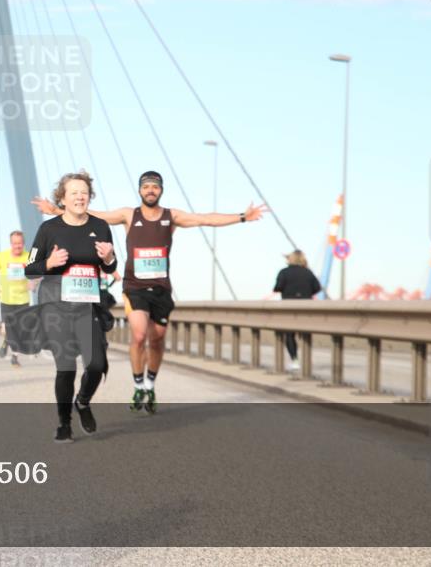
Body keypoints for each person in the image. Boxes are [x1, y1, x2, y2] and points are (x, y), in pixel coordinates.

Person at [34, 170, 267, 414]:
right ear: (140, 190)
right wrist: (57, 211)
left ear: (161, 190)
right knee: (139, 334)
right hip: (134, 287)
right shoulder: (128, 215)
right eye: (146, 186)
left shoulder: (171, 216)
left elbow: (205, 219)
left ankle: (149, 384)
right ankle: (137, 385)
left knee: (156, 339)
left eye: (155, 186)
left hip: (161, 289)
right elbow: (91, 215)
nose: (150, 190)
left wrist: (242, 217)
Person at [15, 171, 117, 443]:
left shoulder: (101, 226)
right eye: (74, 192)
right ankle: (64, 423)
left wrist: (108, 259)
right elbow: (30, 269)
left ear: (89, 196)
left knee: (97, 364)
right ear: (62, 197)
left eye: (84, 192)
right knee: (66, 367)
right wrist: (49, 264)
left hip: (87, 307)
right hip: (56, 307)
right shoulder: (49, 229)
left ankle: (82, 402)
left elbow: (111, 265)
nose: (80, 196)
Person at [0, 230, 31, 368]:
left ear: (23, 243)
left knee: (20, 330)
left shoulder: (29, 256)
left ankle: (14, 357)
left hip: (23, 299)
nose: (17, 246)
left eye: (20, 243)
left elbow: (39, 272)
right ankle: (6, 340)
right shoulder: (2, 256)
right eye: (15, 243)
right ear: (11, 243)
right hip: (6, 299)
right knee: (7, 329)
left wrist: (34, 282)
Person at [273, 250, 322, 372]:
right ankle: (307, 359)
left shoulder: (284, 272)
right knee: (305, 333)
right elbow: (317, 287)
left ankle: (295, 359)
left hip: (289, 307)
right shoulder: (308, 272)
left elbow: (277, 287)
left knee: (289, 334)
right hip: (306, 307)